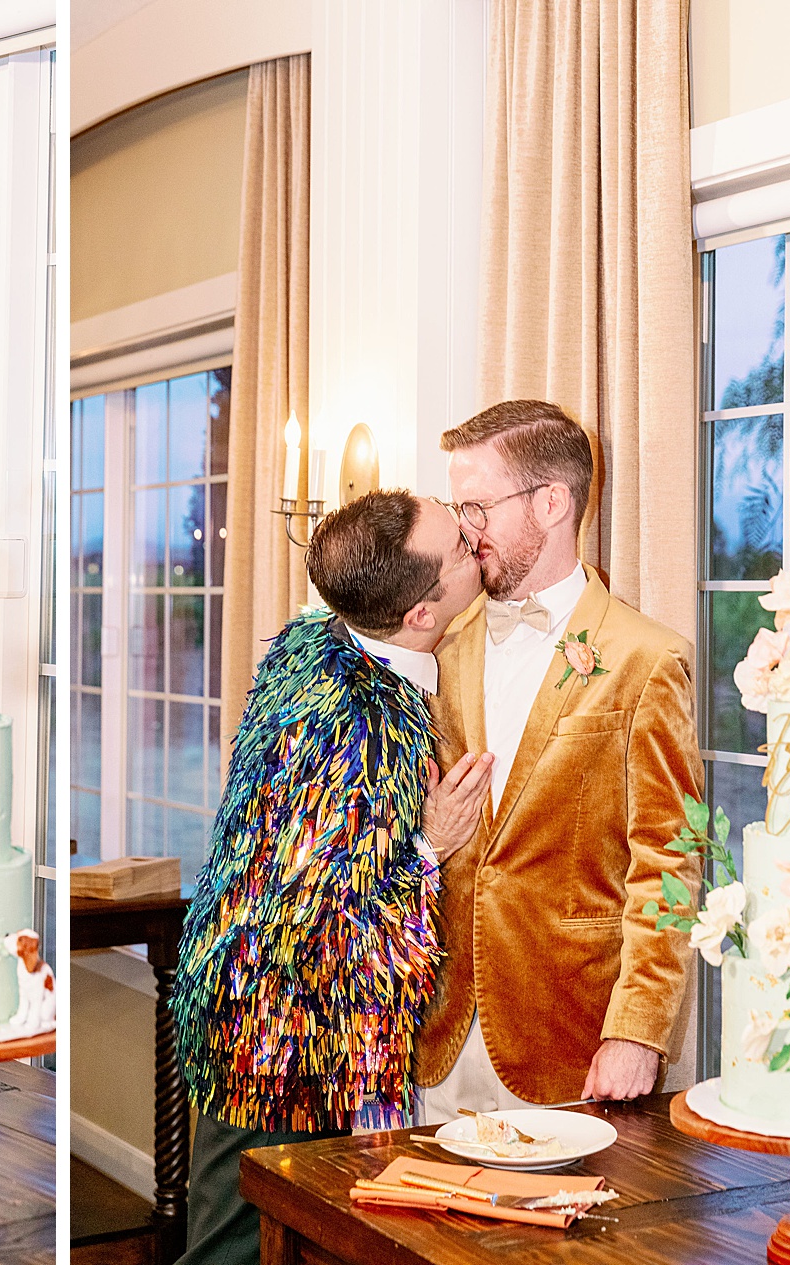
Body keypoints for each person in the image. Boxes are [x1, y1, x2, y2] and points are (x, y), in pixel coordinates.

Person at [171, 489, 494, 1265]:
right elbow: (320, 911)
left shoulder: (319, 642)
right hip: (277, 1026)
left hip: (261, 1002)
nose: (475, 534)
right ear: (419, 612)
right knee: (233, 1248)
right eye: (459, 542)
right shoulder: (357, 718)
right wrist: (429, 845)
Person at [419, 399, 702, 1120]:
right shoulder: (439, 647)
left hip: (571, 1043)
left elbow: (670, 862)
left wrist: (637, 1029)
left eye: (477, 506)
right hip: (435, 1038)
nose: (464, 530)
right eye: (459, 507)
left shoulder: (648, 658)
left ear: (550, 502)